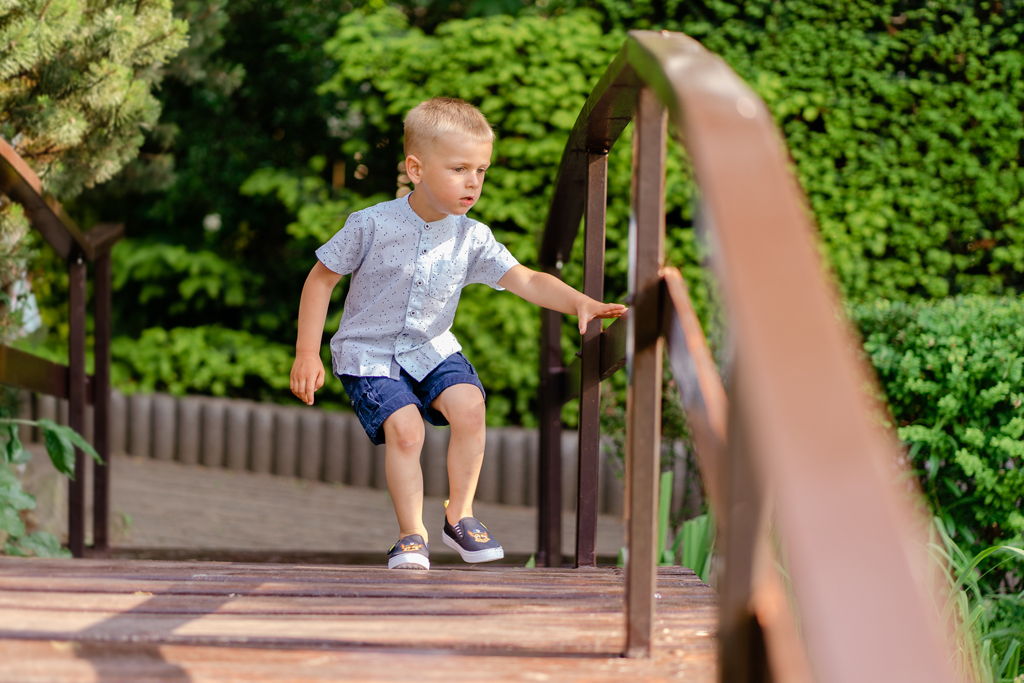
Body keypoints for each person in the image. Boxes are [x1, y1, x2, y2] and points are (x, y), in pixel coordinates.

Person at [289, 97, 626, 570]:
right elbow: (321, 278)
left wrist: (580, 302)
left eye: (482, 171)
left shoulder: (473, 237)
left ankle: (460, 514)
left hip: (431, 347)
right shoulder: (370, 224)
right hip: (370, 353)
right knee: (406, 431)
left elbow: (525, 278)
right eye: (460, 169)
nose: (473, 182)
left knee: (470, 404)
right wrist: (308, 353)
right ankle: (411, 535)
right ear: (416, 168)